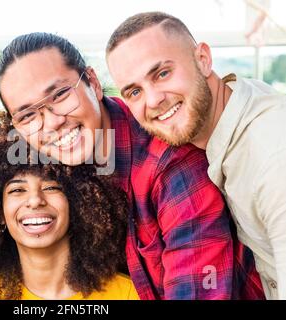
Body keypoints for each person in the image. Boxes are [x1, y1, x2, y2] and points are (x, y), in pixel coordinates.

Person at [0, 32, 264, 299]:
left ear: (93, 83)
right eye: (28, 115)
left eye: (60, 95)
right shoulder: (49, 165)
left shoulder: (170, 164)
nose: (52, 122)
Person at [106, 11, 285, 300]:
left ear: (203, 59)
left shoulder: (272, 153)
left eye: (163, 73)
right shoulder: (232, 117)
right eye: (135, 91)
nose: (153, 100)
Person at [0, 112, 137, 300]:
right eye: (17, 190)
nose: (35, 200)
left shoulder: (126, 293)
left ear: (78, 202)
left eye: (51, 187)